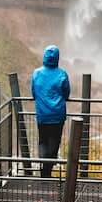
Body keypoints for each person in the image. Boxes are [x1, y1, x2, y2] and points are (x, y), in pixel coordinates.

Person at [31, 45, 71, 178]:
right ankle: (47, 171)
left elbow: (33, 93)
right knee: (54, 142)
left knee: (42, 141)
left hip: (42, 114)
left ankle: (44, 169)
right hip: (57, 115)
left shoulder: (36, 73)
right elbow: (66, 93)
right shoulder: (62, 74)